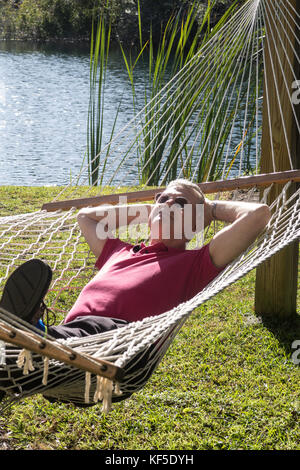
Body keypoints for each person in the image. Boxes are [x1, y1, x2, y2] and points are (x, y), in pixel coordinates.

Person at [0, 178, 271, 402]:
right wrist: (154, 209)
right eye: (162, 199)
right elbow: (86, 218)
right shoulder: (117, 252)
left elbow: (258, 215)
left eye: (180, 203)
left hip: (124, 348)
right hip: (72, 346)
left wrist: (208, 209)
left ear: (196, 223)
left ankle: (30, 332)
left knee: (88, 331)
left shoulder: (195, 263)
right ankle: (24, 345)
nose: (168, 204)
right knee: (14, 366)